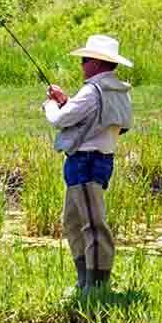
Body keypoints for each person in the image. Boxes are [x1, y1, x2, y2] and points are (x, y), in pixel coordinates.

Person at [44, 34, 134, 294]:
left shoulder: (93, 90)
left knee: (92, 225)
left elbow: (60, 120)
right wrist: (65, 100)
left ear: (97, 62)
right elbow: (94, 116)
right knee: (72, 222)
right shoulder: (117, 90)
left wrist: (51, 105)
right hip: (97, 160)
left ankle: (96, 286)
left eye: (85, 59)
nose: (82, 64)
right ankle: (84, 281)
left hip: (86, 162)